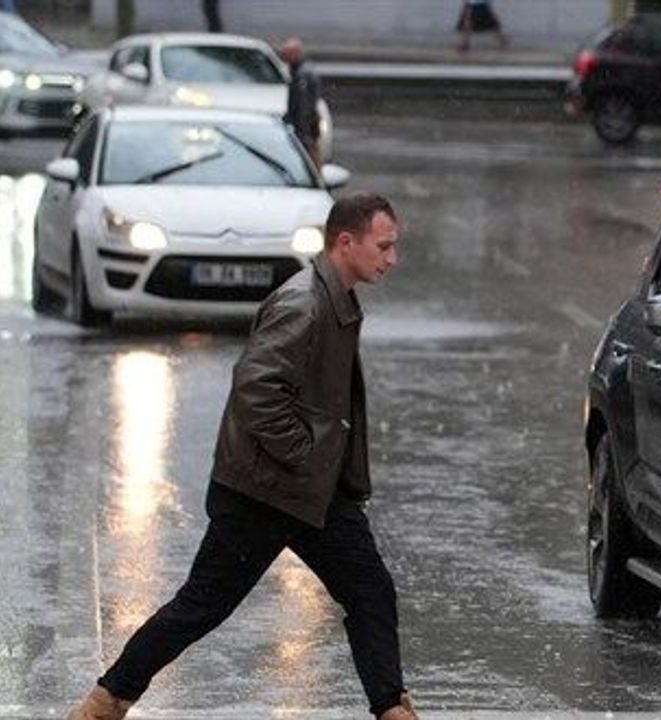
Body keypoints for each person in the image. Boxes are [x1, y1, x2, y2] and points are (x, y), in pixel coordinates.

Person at [66, 194, 416, 720]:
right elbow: (256, 390)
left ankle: (393, 709)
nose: (391, 258)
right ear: (347, 242)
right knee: (201, 606)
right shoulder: (304, 303)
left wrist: (318, 465)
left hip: (314, 494)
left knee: (371, 593)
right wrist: (306, 452)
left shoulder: (335, 297)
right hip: (264, 492)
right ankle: (105, 701)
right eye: (384, 246)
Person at [279, 37, 323, 169]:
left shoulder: (302, 74)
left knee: (310, 156)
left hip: (305, 125)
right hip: (305, 123)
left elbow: (304, 104)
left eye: (286, 54)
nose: (284, 58)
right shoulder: (300, 71)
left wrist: (304, 130)